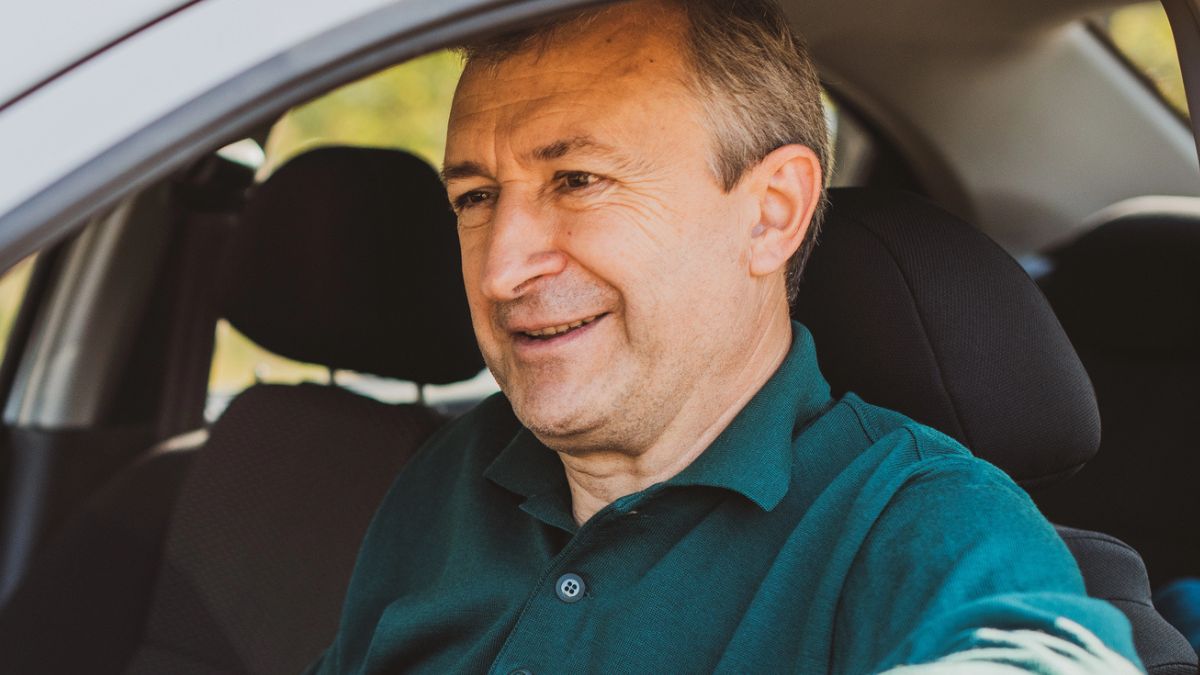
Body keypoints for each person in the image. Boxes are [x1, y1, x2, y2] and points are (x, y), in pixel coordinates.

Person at [308, 1, 1144, 672]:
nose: (501, 271)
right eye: (477, 197)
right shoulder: (448, 480)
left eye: (578, 180)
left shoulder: (918, 519)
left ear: (771, 211)